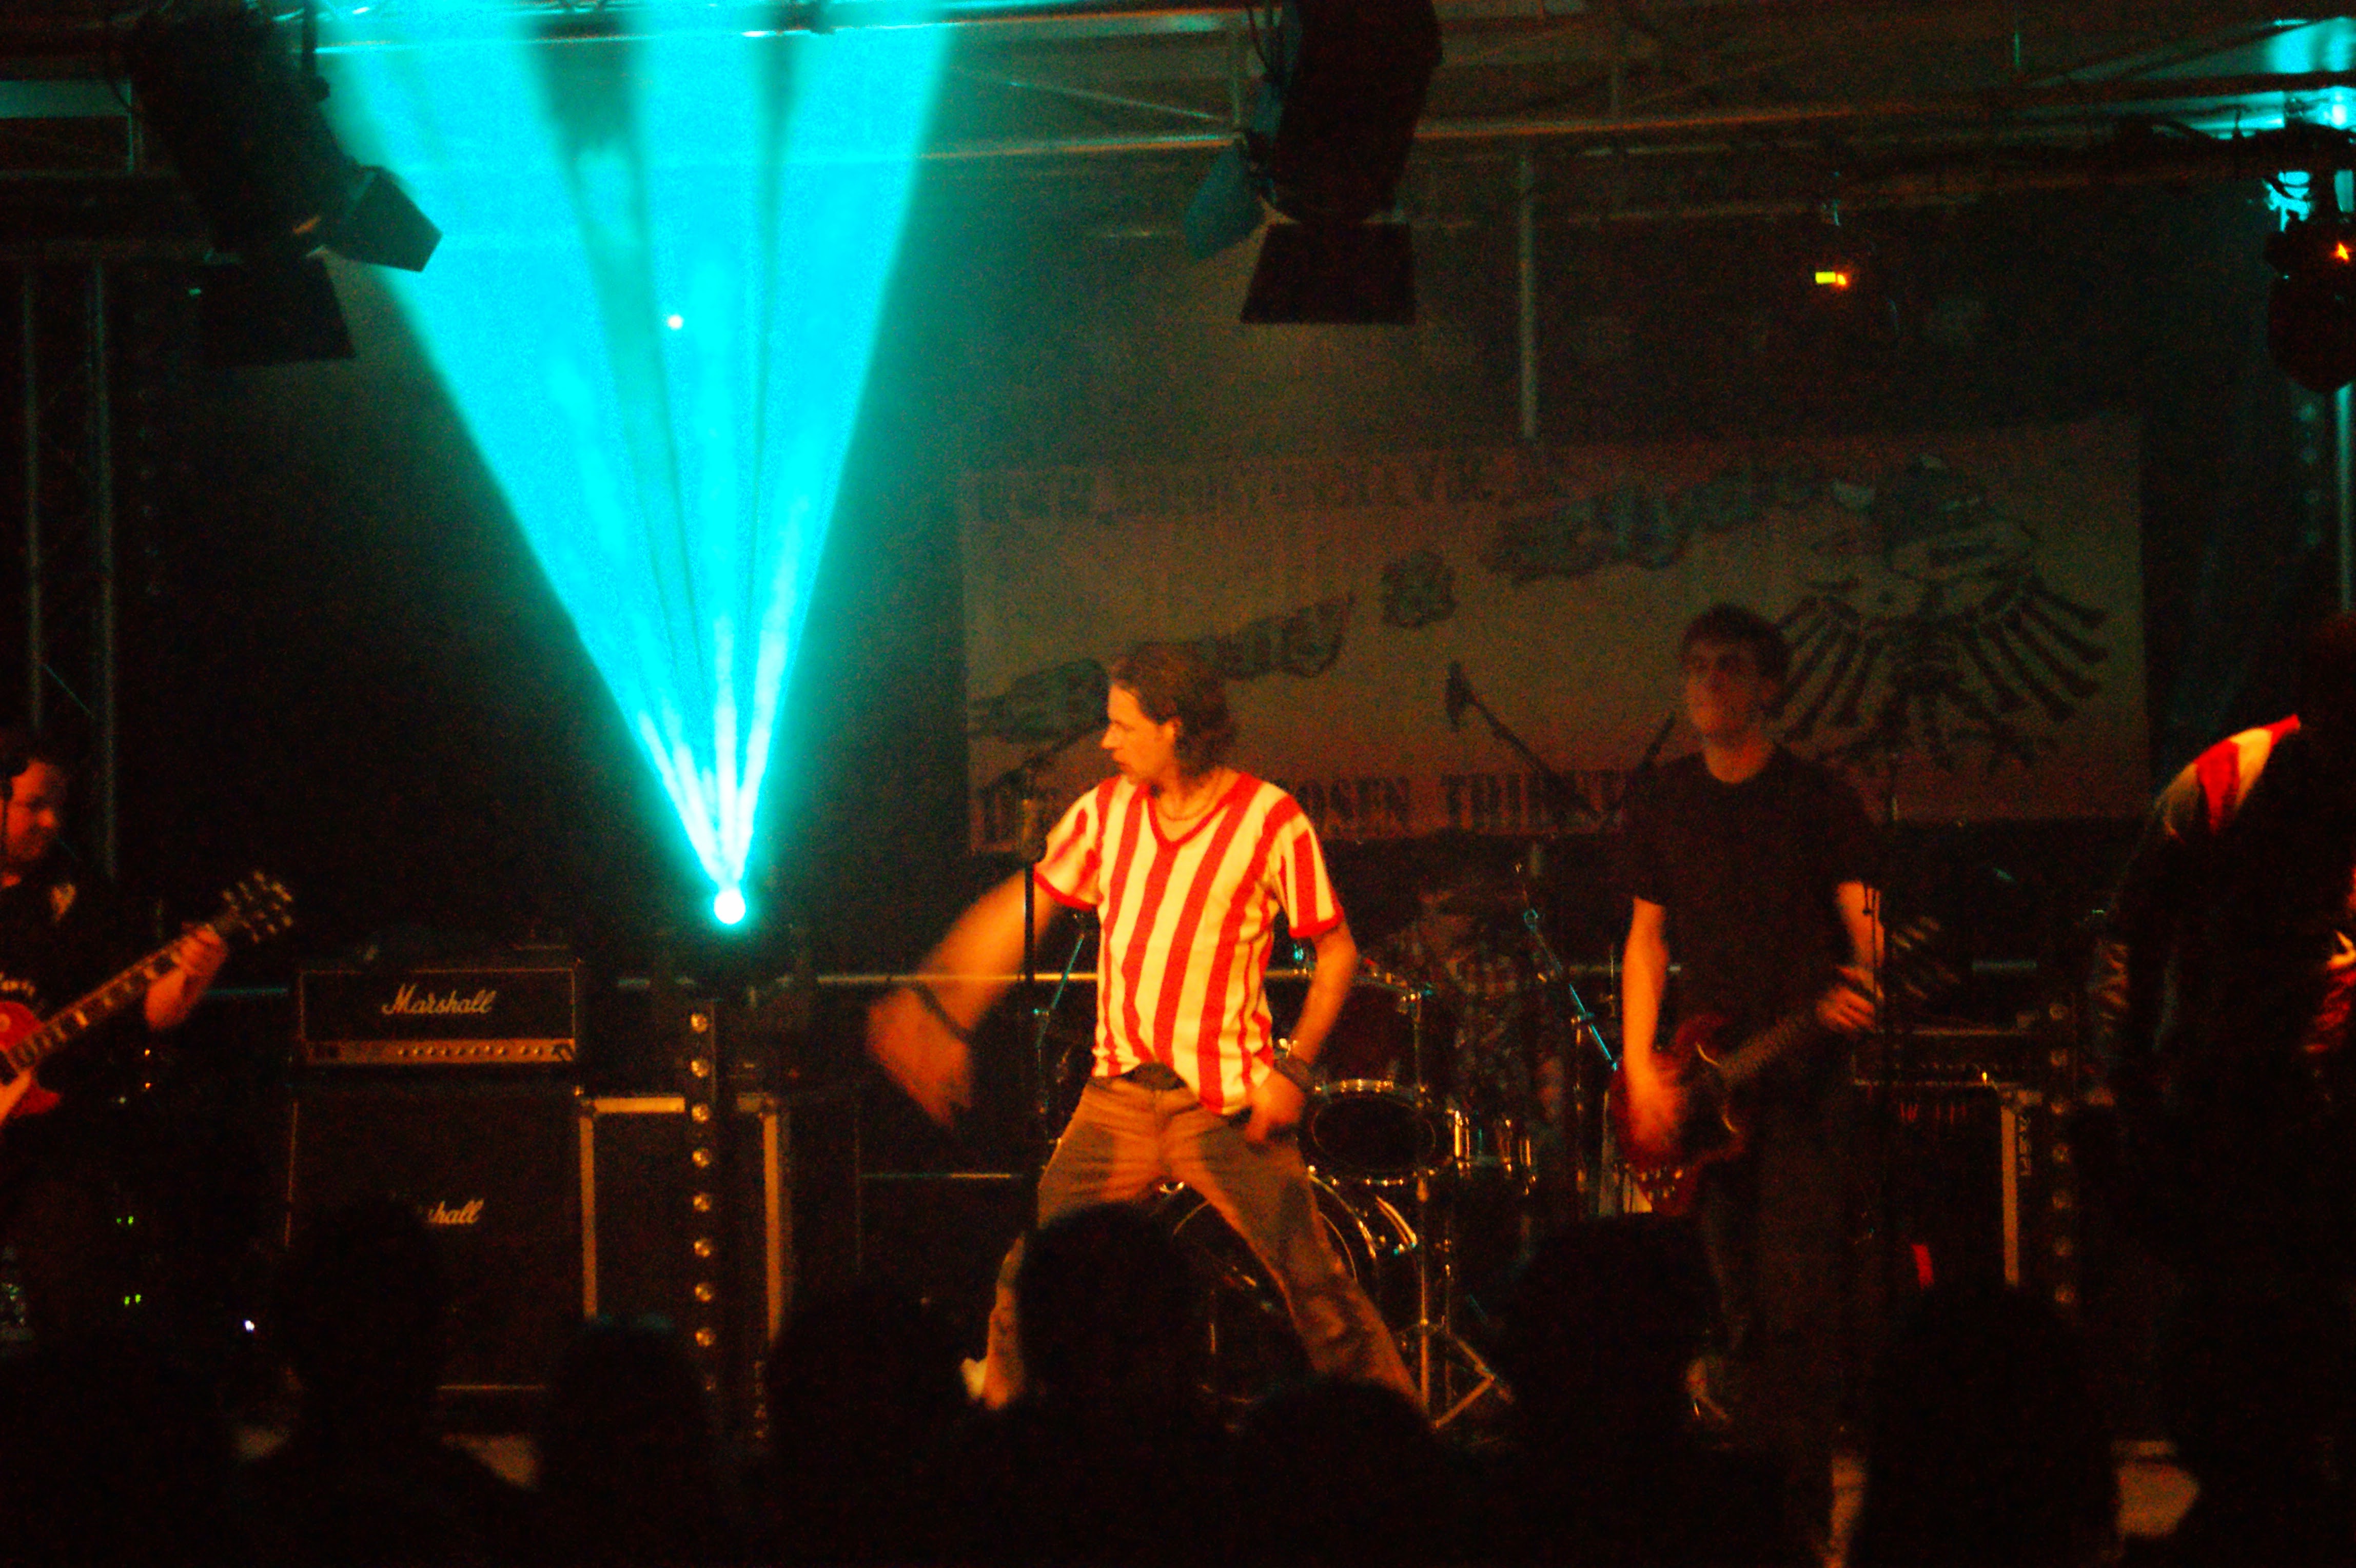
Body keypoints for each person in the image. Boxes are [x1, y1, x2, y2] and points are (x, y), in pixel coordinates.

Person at [868, 641, 1413, 1407]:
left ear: (1173, 727)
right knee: (1031, 1274)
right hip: (1118, 1100)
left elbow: (1338, 951)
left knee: (1315, 1286)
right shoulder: (1105, 813)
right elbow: (1025, 909)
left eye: (1122, 725)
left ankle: (1395, 1434)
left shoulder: (1267, 819)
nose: (1106, 741)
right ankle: (1001, 1431)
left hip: (1224, 1104)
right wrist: (938, 1006)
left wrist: (1293, 1070)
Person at [2091, 610, 2356, 1564]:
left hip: (2327, 1097)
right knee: (2243, 1311)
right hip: (2233, 1098)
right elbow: (2130, 935)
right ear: (2313, 711)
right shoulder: (2224, 782)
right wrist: (2129, 1084)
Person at [1613, 603, 1881, 1544]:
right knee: (1736, 1310)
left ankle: (1801, 1520)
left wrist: (1865, 981)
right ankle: (1747, 1517)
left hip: (1802, 1080)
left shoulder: (1818, 797)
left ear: (1769, 686)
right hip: (1706, 1082)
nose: (1708, 682)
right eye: (1696, 665)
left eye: (1729, 665)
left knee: (1798, 1305)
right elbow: (1645, 941)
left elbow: (1865, 922)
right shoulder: (1664, 801)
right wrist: (1640, 1066)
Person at [0, 729, 229, 1342]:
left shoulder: (82, 898)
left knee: (78, 1316)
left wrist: (193, 973)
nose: (51, 821)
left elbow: (150, 1012)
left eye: (59, 806)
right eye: (34, 804)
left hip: (55, 1145)